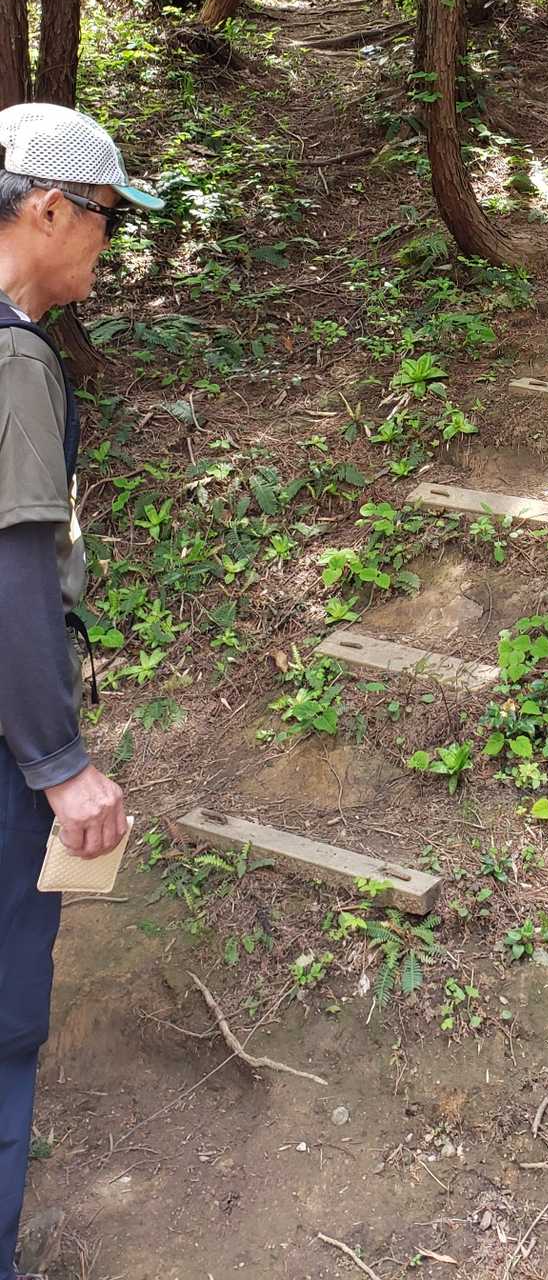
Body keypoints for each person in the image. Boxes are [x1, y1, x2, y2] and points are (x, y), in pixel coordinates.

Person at [0, 103, 163, 1280]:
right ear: (51, 209)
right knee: (5, 1030)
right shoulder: (14, 359)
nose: (112, 241)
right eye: (109, 216)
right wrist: (60, 765)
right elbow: (11, 573)